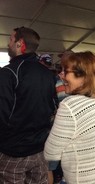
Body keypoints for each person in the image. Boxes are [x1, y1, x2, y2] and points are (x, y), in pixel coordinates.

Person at [44, 51, 95, 184]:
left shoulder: (69, 106)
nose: (61, 75)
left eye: (65, 71)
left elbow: (50, 154)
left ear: (84, 77)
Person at [0, 27, 57, 183]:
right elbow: (53, 109)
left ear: (20, 44)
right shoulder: (48, 74)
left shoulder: (8, 73)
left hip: (13, 152)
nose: (8, 43)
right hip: (40, 150)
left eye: (11, 39)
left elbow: (2, 115)